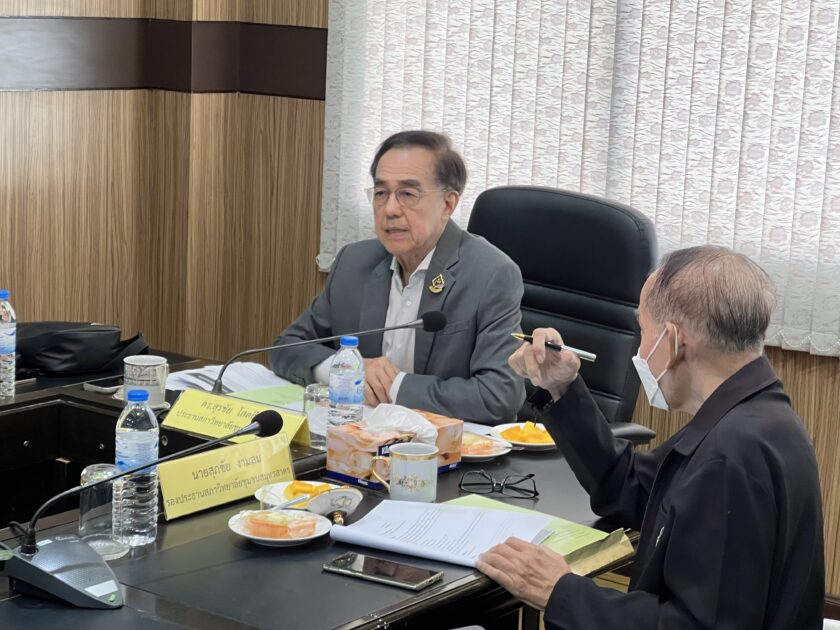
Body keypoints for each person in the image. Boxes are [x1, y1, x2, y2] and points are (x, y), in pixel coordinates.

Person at [478, 246, 824, 628]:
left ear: (672, 341)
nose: (641, 350)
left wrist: (560, 591)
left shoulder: (731, 454)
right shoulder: (752, 415)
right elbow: (632, 490)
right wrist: (561, 388)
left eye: (643, 331)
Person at [270, 130, 525, 423]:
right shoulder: (354, 262)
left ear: (448, 204)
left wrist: (394, 385)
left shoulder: (491, 274)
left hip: (443, 445)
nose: (390, 209)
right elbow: (285, 347)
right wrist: (347, 371)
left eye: (407, 194)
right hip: (358, 435)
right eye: (381, 193)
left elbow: (498, 396)